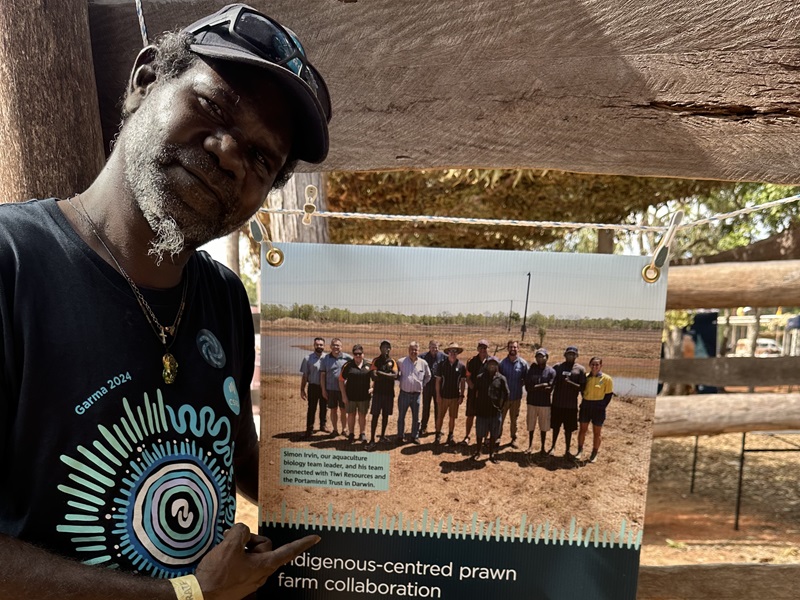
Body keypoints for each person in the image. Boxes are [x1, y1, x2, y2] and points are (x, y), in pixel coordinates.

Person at [0, 4, 331, 599]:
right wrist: (186, 594)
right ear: (147, 79)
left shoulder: (224, 297)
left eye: (262, 159)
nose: (231, 154)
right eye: (212, 106)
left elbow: (238, 453)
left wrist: (404, 490)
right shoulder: (12, 264)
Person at [549, 346, 587, 458]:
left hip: (571, 405)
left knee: (568, 429)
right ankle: (553, 447)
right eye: (568, 354)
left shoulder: (580, 369)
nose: (570, 356)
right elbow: (552, 382)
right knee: (555, 427)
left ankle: (567, 450)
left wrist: (570, 383)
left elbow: (582, 388)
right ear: (564, 355)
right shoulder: (557, 367)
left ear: (576, 356)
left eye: (573, 354)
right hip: (557, 404)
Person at [472, 357, 509, 464]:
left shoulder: (501, 379)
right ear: (486, 365)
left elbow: (506, 394)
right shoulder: (480, 378)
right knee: (480, 433)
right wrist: (475, 406)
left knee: (494, 434)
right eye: (490, 364)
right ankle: (478, 451)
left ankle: (491, 454)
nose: (492, 366)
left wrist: (501, 407)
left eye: (494, 364)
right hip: (482, 411)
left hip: (495, 412)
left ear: (497, 366)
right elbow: (475, 392)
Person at [577, 357, 614, 463]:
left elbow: (608, 396)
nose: (594, 366)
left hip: (599, 407)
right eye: (593, 364)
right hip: (586, 406)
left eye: (597, 364)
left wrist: (601, 407)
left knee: (597, 433)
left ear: (601, 366)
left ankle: (594, 453)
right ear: (589, 365)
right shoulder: (585, 377)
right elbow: (582, 391)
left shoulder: (607, 379)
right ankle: (580, 450)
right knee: (582, 430)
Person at [395, 342, 431, 444]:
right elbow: (396, 374)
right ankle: (399, 436)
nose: (413, 352)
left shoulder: (423, 363)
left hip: (417, 395)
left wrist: (421, 384)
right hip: (404, 394)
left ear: (418, 351)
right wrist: (401, 381)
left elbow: (428, 376)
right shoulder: (401, 362)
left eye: (415, 350)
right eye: (411, 349)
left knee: (416, 417)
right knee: (401, 416)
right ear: (408, 350)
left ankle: (414, 436)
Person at [434, 342, 467, 445]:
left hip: (454, 397)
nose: (453, 353)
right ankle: (437, 435)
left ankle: (450, 436)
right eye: (451, 351)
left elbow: (462, 382)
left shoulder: (461, 366)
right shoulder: (441, 365)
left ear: (457, 353)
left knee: (452, 417)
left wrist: (461, 395)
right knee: (440, 417)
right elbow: (438, 381)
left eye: (455, 351)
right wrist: (438, 395)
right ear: (448, 352)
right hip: (443, 396)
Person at [367, 340, 397, 450]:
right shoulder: (376, 360)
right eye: (384, 347)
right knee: (375, 416)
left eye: (388, 347)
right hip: (378, 393)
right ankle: (372, 439)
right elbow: (373, 377)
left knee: (385, 415)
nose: (386, 349)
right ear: (380, 348)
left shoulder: (392, 361)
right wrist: (387, 375)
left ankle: (383, 436)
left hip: (389, 394)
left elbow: (395, 376)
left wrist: (380, 373)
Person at [524, 348, 556, 454]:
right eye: (538, 356)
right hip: (532, 402)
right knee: (531, 426)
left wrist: (535, 387)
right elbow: (528, 388)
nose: (540, 358)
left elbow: (550, 389)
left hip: (545, 404)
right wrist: (542, 385)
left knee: (543, 427)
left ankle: (542, 447)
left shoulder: (551, 371)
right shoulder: (531, 369)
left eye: (542, 356)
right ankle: (530, 446)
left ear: (547, 358)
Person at [339, 345, 372, 443]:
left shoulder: (369, 365)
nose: (358, 355)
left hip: (364, 397)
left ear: (363, 354)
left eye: (360, 354)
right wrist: (343, 396)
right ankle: (351, 434)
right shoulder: (347, 365)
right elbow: (341, 380)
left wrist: (372, 387)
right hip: (350, 397)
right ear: (353, 355)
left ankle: (362, 433)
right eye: (355, 354)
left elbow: (375, 378)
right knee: (351, 415)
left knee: (362, 415)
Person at [498, 340, 528, 448]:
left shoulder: (523, 364)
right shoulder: (502, 363)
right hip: (504, 398)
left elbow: (525, 379)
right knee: (500, 418)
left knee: (514, 419)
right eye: (511, 347)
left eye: (514, 347)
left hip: (516, 397)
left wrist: (518, 386)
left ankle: (513, 438)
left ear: (518, 348)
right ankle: (498, 437)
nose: (513, 349)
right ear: (507, 348)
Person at [319, 338, 352, 437]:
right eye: (334, 345)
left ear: (341, 347)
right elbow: (322, 375)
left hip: (344, 390)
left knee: (343, 410)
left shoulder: (348, 358)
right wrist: (323, 390)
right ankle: (335, 430)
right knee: (333, 410)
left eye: (338, 345)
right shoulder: (325, 359)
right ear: (330, 346)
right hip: (330, 389)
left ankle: (344, 429)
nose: (336, 347)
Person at [460, 339, 489, 446]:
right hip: (473, 394)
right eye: (481, 348)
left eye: (485, 348)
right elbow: (467, 376)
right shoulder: (471, 361)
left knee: (485, 417)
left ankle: (486, 438)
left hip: (486, 396)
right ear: (477, 349)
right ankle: (467, 436)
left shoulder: (491, 361)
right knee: (470, 415)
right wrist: (472, 387)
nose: (483, 350)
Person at [300, 337, 328, 438]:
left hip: (324, 387)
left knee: (324, 407)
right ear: (314, 345)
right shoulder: (308, 358)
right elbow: (305, 376)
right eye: (317, 345)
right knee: (311, 408)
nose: (319, 346)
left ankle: (323, 425)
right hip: (313, 387)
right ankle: (309, 429)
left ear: (324, 346)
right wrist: (302, 389)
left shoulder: (327, 358)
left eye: (321, 345)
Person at [419, 340, 447, 436]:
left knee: (438, 408)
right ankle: (423, 427)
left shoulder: (443, 357)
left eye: (436, 347)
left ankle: (438, 427)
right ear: (429, 347)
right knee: (426, 407)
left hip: (438, 387)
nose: (434, 349)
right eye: (432, 347)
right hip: (427, 386)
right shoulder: (422, 357)